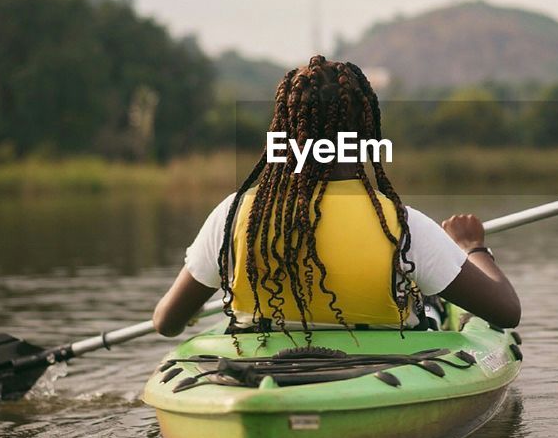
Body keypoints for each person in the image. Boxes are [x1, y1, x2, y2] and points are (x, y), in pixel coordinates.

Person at [152, 55, 520, 338]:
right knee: (431, 303)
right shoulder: (401, 226)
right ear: (367, 130)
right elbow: (506, 312)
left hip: (258, 366)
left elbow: (166, 322)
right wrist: (472, 247)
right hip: (381, 372)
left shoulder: (233, 216)